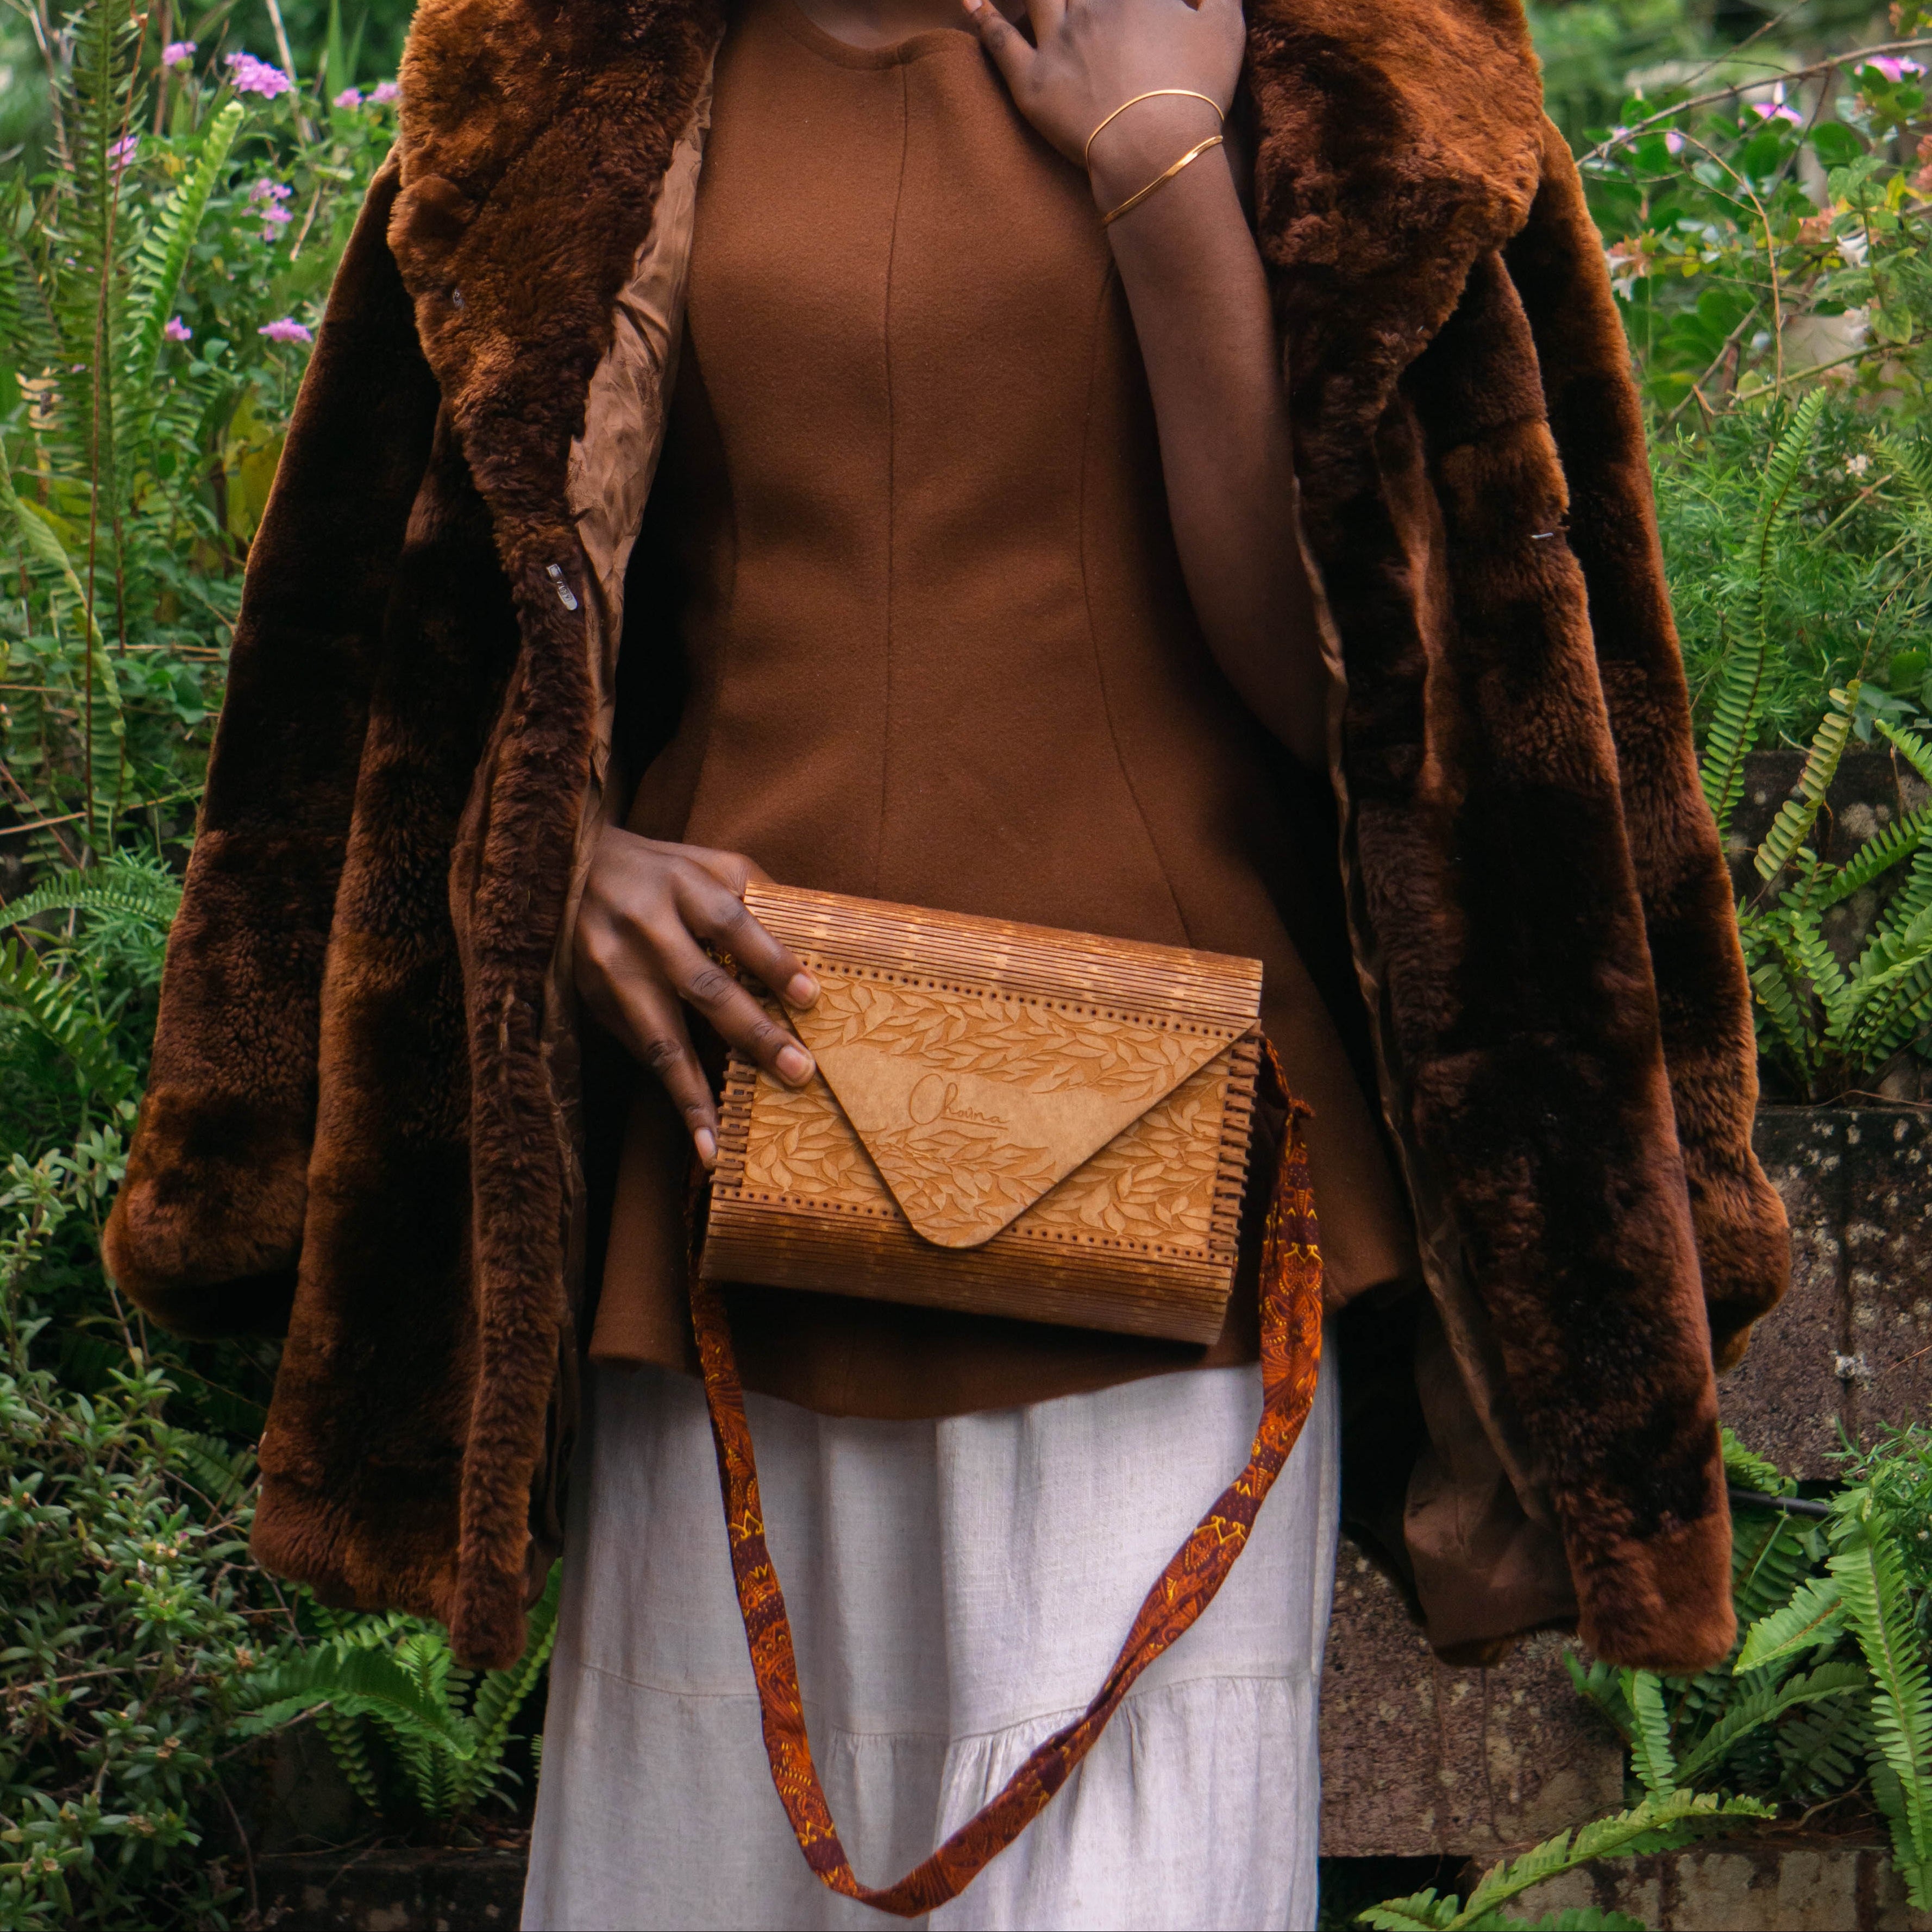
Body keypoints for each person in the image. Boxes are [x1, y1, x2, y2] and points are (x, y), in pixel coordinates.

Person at [102, 0, 1790, 1923]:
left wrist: (1161, 167)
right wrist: (547, 859)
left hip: (1173, 1192)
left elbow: (1397, 698)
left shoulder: (1327, 60)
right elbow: (391, 642)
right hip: (719, 1144)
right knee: (704, 1867)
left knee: (1115, 1881)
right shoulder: (557, 66)